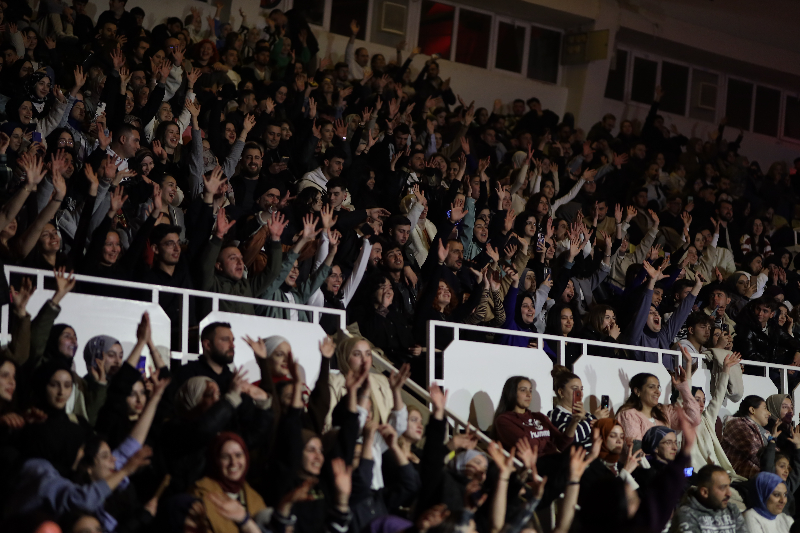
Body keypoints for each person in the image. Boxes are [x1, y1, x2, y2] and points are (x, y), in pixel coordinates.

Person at [616, 347, 701, 442]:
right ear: (637, 391)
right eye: (651, 387)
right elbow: (635, 448)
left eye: (658, 387)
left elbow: (694, 420)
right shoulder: (628, 415)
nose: (658, 392)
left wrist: (684, 389)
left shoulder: (664, 412)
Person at [190, 432, 269, 532]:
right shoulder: (200, 493)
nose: (233, 462)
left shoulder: (255, 499)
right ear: (216, 460)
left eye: (238, 455)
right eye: (225, 457)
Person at [671, 464, 748, 533]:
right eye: (723, 488)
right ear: (705, 492)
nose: (729, 493)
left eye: (728, 486)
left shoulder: (732, 510)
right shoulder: (687, 515)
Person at [547, 365, 609, 449]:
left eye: (581, 389)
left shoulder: (587, 415)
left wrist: (600, 425)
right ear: (561, 392)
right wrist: (593, 418)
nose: (580, 394)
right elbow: (570, 438)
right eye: (575, 389)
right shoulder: (555, 414)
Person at [722, 395, 774, 479]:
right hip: (743, 481)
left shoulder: (765, 432)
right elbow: (755, 453)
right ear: (752, 410)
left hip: (760, 479)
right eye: (765, 408)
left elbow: (777, 457)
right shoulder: (737, 424)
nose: (769, 413)